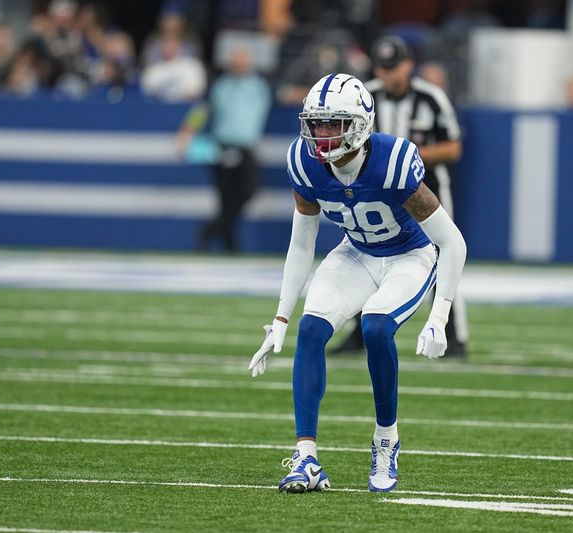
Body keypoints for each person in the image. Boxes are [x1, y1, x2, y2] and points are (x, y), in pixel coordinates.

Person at [248, 73, 466, 493]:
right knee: (310, 329)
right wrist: (280, 317)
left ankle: (387, 439)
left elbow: (452, 242)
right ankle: (307, 460)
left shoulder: (393, 160)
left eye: (334, 124)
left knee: (376, 326)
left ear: (361, 124)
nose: (322, 135)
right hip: (357, 252)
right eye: (316, 123)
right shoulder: (303, 161)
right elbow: (301, 245)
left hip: (409, 254)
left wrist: (440, 316)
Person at [329, 35, 469, 357]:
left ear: (409, 65)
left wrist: (405, 158)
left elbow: (453, 146)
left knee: (443, 251)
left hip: (426, 188)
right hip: (377, 191)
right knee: (369, 254)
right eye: (382, 67)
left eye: (394, 66)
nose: (389, 74)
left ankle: (452, 333)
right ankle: (359, 333)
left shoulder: (431, 97)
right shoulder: (366, 97)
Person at [176, 47, 271, 251]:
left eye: (242, 61)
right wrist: (187, 130)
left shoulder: (259, 87)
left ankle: (212, 229)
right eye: (236, 61)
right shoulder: (221, 87)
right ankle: (229, 243)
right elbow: (202, 109)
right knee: (225, 195)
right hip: (223, 145)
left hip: (246, 147)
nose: (239, 66)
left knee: (248, 191)